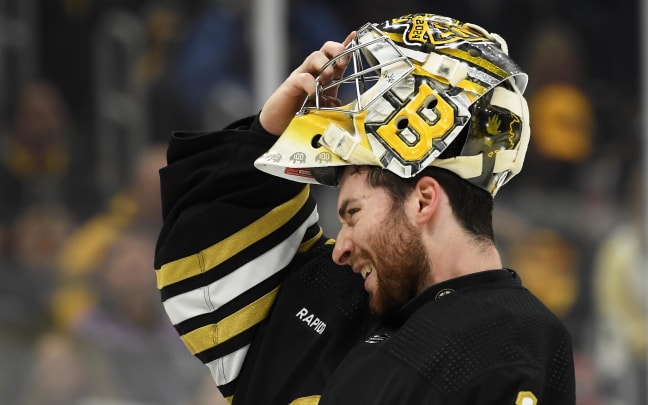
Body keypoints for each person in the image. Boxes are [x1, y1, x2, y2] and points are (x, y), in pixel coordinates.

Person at [154, 13, 575, 404]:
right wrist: (264, 134)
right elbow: (203, 272)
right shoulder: (350, 299)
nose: (341, 247)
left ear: (423, 201)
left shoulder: (507, 338)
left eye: (352, 214)